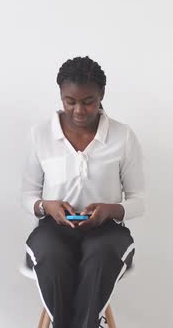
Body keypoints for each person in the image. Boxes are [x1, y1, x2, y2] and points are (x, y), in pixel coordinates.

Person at [22, 56, 145, 328]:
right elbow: (28, 196)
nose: (78, 110)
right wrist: (47, 207)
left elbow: (139, 201)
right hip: (52, 229)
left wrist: (110, 210)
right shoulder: (40, 135)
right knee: (52, 257)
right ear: (61, 96)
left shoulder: (122, 136)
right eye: (70, 101)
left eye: (88, 101)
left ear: (102, 95)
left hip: (107, 231)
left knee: (100, 257)